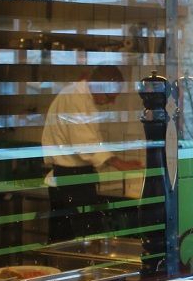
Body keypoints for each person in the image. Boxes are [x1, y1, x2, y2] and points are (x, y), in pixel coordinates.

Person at [41, 65, 140, 243]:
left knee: (66, 238)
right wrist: (118, 163)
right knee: (82, 239)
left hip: (72, 178)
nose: (112, 103)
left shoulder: (80, 97)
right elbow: (84, 144)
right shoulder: (75, 97)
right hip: (70, 179)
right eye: (110, 97)